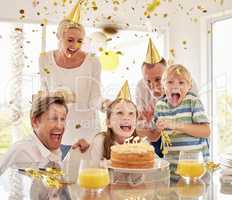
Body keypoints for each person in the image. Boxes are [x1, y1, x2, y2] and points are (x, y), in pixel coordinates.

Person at [39, 1, 102, 153]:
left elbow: (95, 97)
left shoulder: (92, 61)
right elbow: (44, 93)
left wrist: (106, 105)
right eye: (70, 40)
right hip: (57, 131)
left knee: (84, 175)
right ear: (58, 36)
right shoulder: (45, 59)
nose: (75, 45)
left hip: (87, 133)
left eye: (80, 41)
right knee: (58, 175)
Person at [0, 94, 71, 199]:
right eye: (53, 118)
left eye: (63, 119)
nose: (60, 126)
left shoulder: (58, 150)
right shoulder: (22, 149)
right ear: (35, 122)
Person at [154, 64, 210, 173]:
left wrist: (176, 125)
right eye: (170, 82)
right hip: (170, 169)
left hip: (196, 168)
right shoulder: (160, 105)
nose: (175, 86)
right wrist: (156, 128)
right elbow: (157, 135)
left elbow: (206, 131)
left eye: (181, 82)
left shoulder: (193, 101)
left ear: (189, 86)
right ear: (163, 86)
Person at [89, 98, 138, 163]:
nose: (126, 118)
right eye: (120, 113)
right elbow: (94, 169)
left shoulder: (142, 145)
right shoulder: (100, 141)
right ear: (108, 122)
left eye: (131, 113)